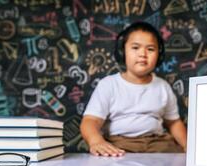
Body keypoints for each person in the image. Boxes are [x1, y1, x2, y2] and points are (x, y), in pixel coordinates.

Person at [80, 21, 187, 157]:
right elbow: (91, 121)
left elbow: (173, 123)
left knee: (176, 163)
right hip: (120, 143)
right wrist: (96, 141)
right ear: (122, 51)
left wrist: (187, 145)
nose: (143, 53)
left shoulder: (163, 86)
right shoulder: (109, 84)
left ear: (158, 56)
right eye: (135, 47)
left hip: (158, 142)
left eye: (150, 49)